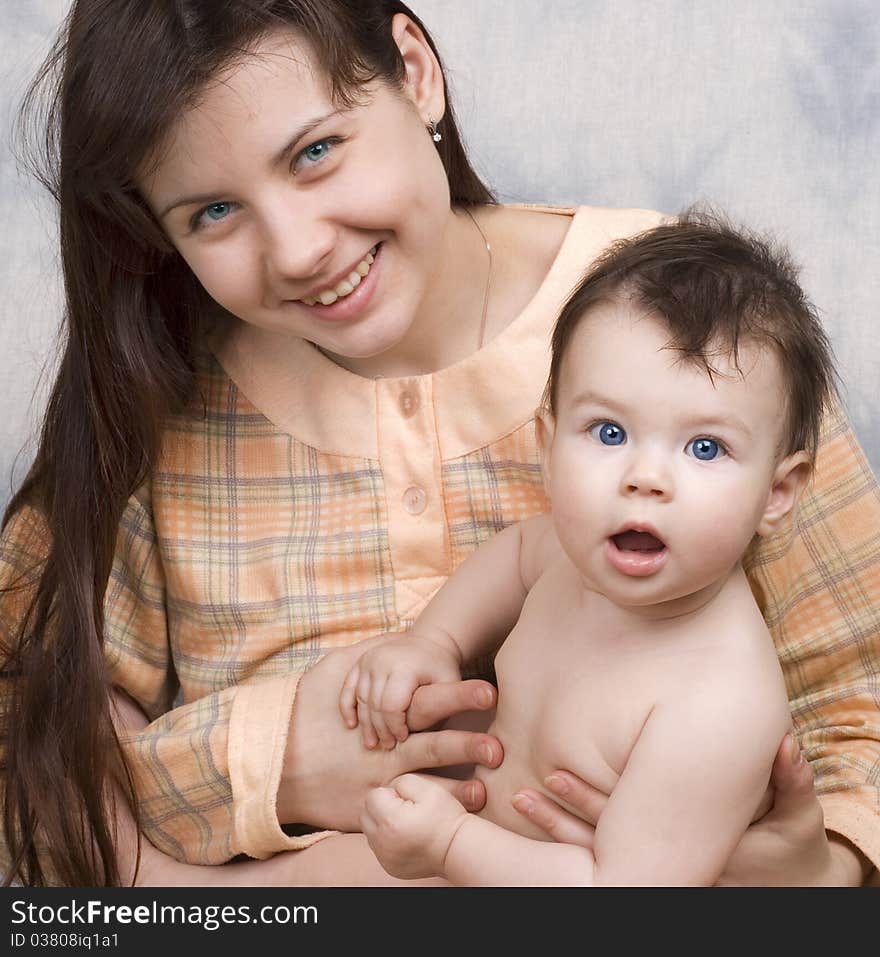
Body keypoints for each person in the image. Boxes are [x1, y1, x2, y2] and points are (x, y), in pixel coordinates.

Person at [0, 0, 877, 887]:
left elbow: (859, 717)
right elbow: (29, 730)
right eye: (213, 211)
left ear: (414, 71)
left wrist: (816, 876)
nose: (299, 251)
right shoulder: (156, 393)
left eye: (315, 152)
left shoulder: (686, 331)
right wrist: (272, 760)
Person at [353, 215, 830, 885]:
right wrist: (432, 640)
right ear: (546, 448)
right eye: (608, 431)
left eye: (704, 447)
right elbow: (517, 553)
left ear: (777, 492)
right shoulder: (569, 557)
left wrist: (450, 842)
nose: (644, 477)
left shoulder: (718, 700)